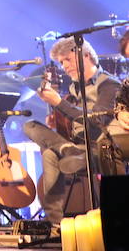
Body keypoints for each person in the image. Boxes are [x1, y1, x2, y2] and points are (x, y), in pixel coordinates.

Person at [23, 38, 120, 224]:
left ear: (85, 55)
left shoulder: (110, 85)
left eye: (67, 59)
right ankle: (57, 224)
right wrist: (58, 119)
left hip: (100, 149)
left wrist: (59, 103)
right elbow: (74, 120)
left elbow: (96, 121)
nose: (64, 66)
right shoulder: (72, 89)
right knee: (31, 127)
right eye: (61, 62)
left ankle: (67, 149)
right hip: (76, 148)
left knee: (52, 153)